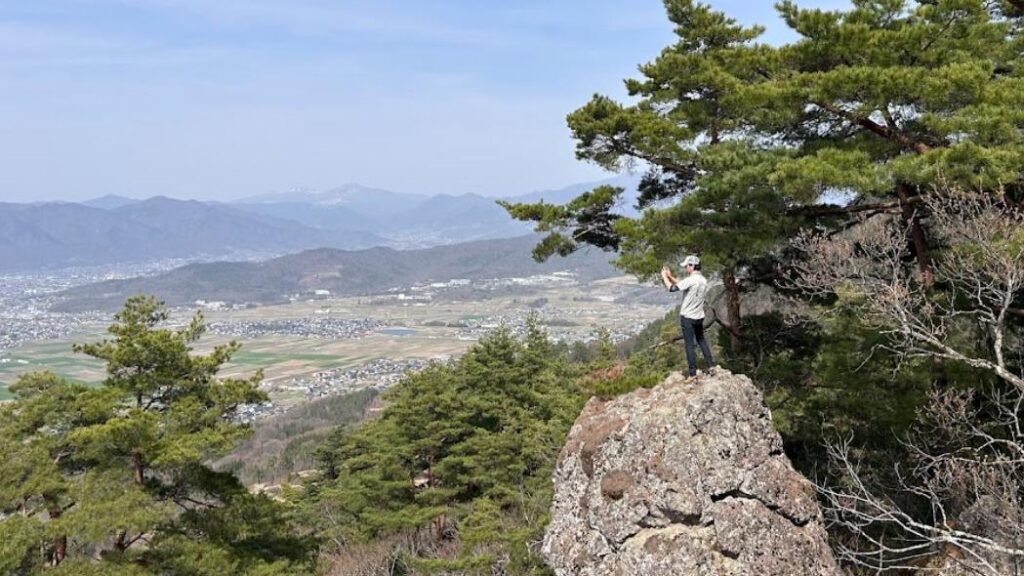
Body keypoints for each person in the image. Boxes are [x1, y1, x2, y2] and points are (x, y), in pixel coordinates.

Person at [662, 255, 715, 378]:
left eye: (687, 266)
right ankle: (711, 365)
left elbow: (672, 288)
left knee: (689, 345)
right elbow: (682, 284)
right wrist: (670, 276)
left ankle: (692, 373)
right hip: (699, 316)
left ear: (692, 266)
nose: (686, 268)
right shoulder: (703, 280)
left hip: (688, 317)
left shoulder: (691, 280)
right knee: (701, 340)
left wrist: (665, 277)